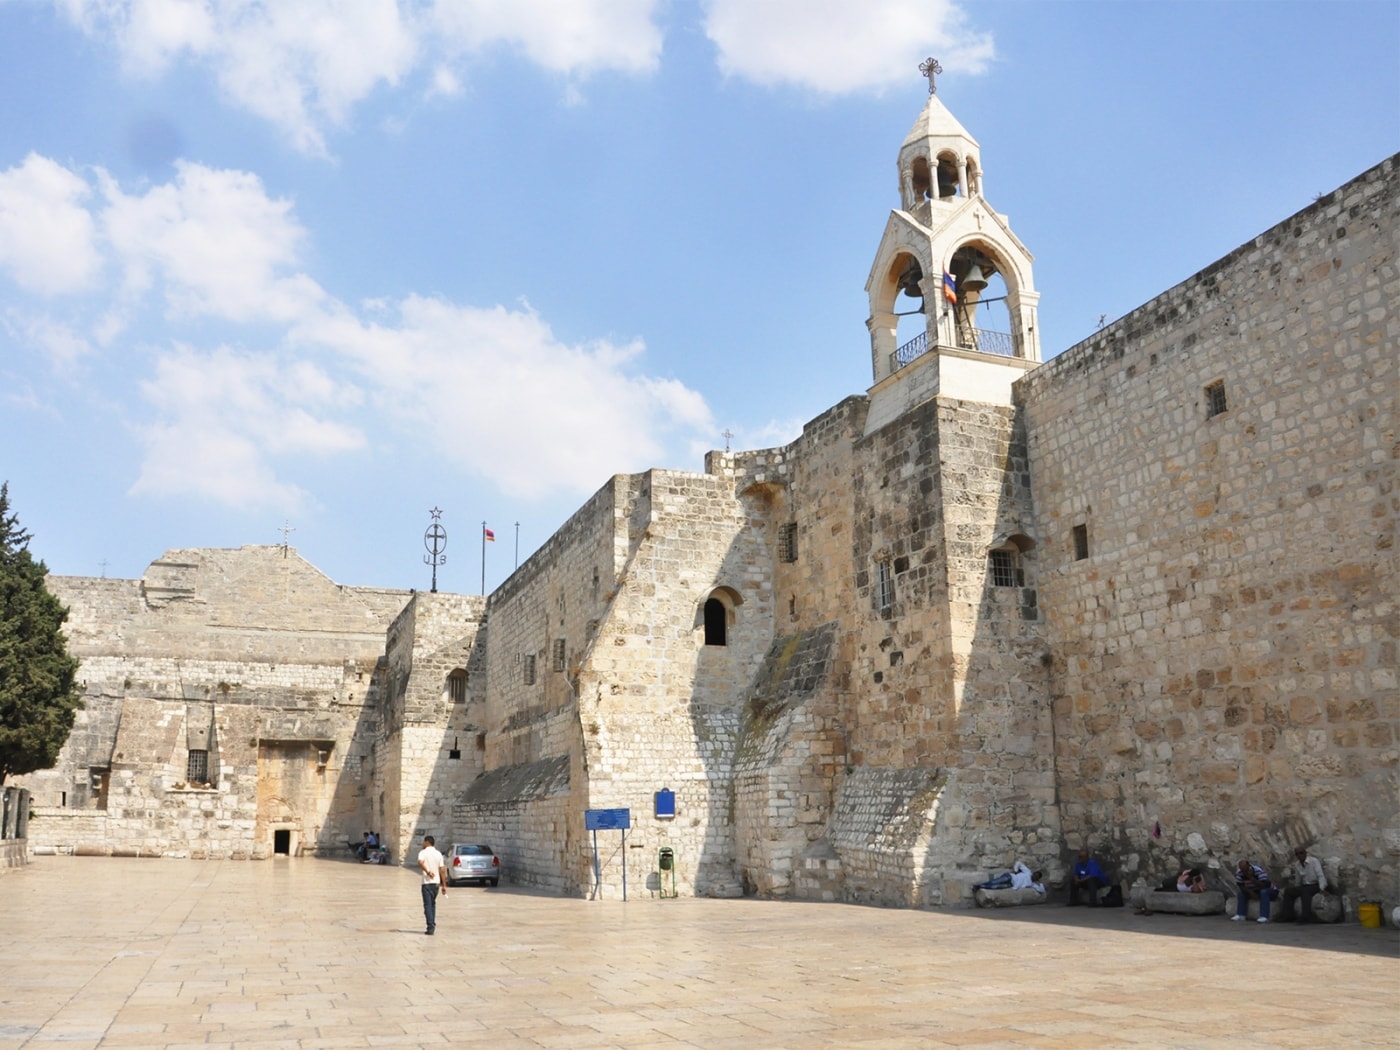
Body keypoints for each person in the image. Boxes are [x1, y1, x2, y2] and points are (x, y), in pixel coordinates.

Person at [1278, 846, 1328, 923]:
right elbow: (1298, 880)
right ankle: (1287, 916)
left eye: (1301, 853)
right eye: (1297, 854)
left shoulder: (1314, 861)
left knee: (1305, 892)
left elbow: (1320, 876)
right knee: (1288, 891)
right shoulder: (1297, 865)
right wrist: (1296, 890)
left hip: (1314, 885)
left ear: (1305, 853)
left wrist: (1322, 889)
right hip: (1305, 886)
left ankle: (1306, 917)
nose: (1299, 855)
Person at [417, 834, 448, 935]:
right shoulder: (438, 854)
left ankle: (430, 927)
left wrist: (428, 871)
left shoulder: (423, 852)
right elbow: (442, 870)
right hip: (436, 884)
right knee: (433, 904)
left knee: (427, 905)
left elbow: (420, 862)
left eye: (423, 842)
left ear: (427, 842)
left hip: (427, 883)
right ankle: (432, 924)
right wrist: (444, 885)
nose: (422, 844)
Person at [1231, 859, 1273, 923]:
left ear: (1249, 866)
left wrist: (1251, 877)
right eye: (1242, 870)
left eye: (1245, 870)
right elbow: (1241, 885)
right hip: (1253, 889)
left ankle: (1264, 916)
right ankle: (1241, 915)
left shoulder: (1259, 871)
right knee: (1241, 893)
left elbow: (1264, 886)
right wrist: (1250, 892)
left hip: (1268, 889)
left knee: (1263, 892)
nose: (1244, 872)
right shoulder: (1240, 873)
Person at [977, 861, 1045, 894]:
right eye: (1035, 874)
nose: (1034, 876)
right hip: (1011, 877)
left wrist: (1040, 883)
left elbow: (1041, 890)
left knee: (996, 886)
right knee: (995, 881)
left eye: (1036, 877)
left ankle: (982, 886)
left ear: (1037, 879)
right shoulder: (1028, 872)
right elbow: (1018, 863)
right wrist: (1015, 870)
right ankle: (979, 885)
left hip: (1012, 885)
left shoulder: (1032, 884)